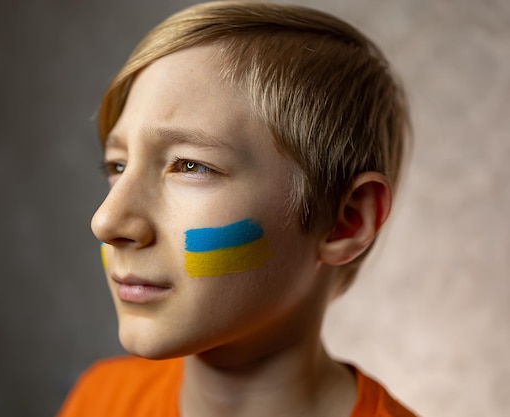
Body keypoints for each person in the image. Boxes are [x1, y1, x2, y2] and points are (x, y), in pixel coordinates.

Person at [58, 1, 416, 416]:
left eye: (190, 165)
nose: (106, 221)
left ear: (346, 221)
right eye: (117, 165)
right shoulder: (100, 400)